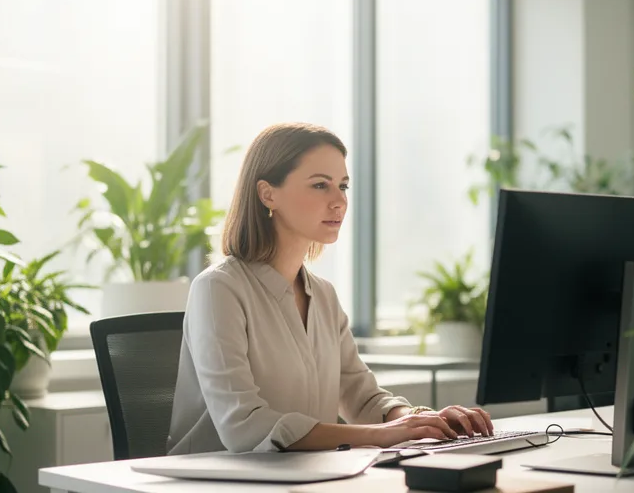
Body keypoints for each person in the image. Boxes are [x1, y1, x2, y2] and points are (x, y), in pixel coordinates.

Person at [166, 122, 494, 455]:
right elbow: (244, 428)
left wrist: (419, 420)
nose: (339, 201)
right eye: (320, 185)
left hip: (307, 477)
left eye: (343, 186)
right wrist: (382, 435)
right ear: (268, 194)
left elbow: (360, 396)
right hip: (215, 483)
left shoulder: (322, 295)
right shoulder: (218, 289)